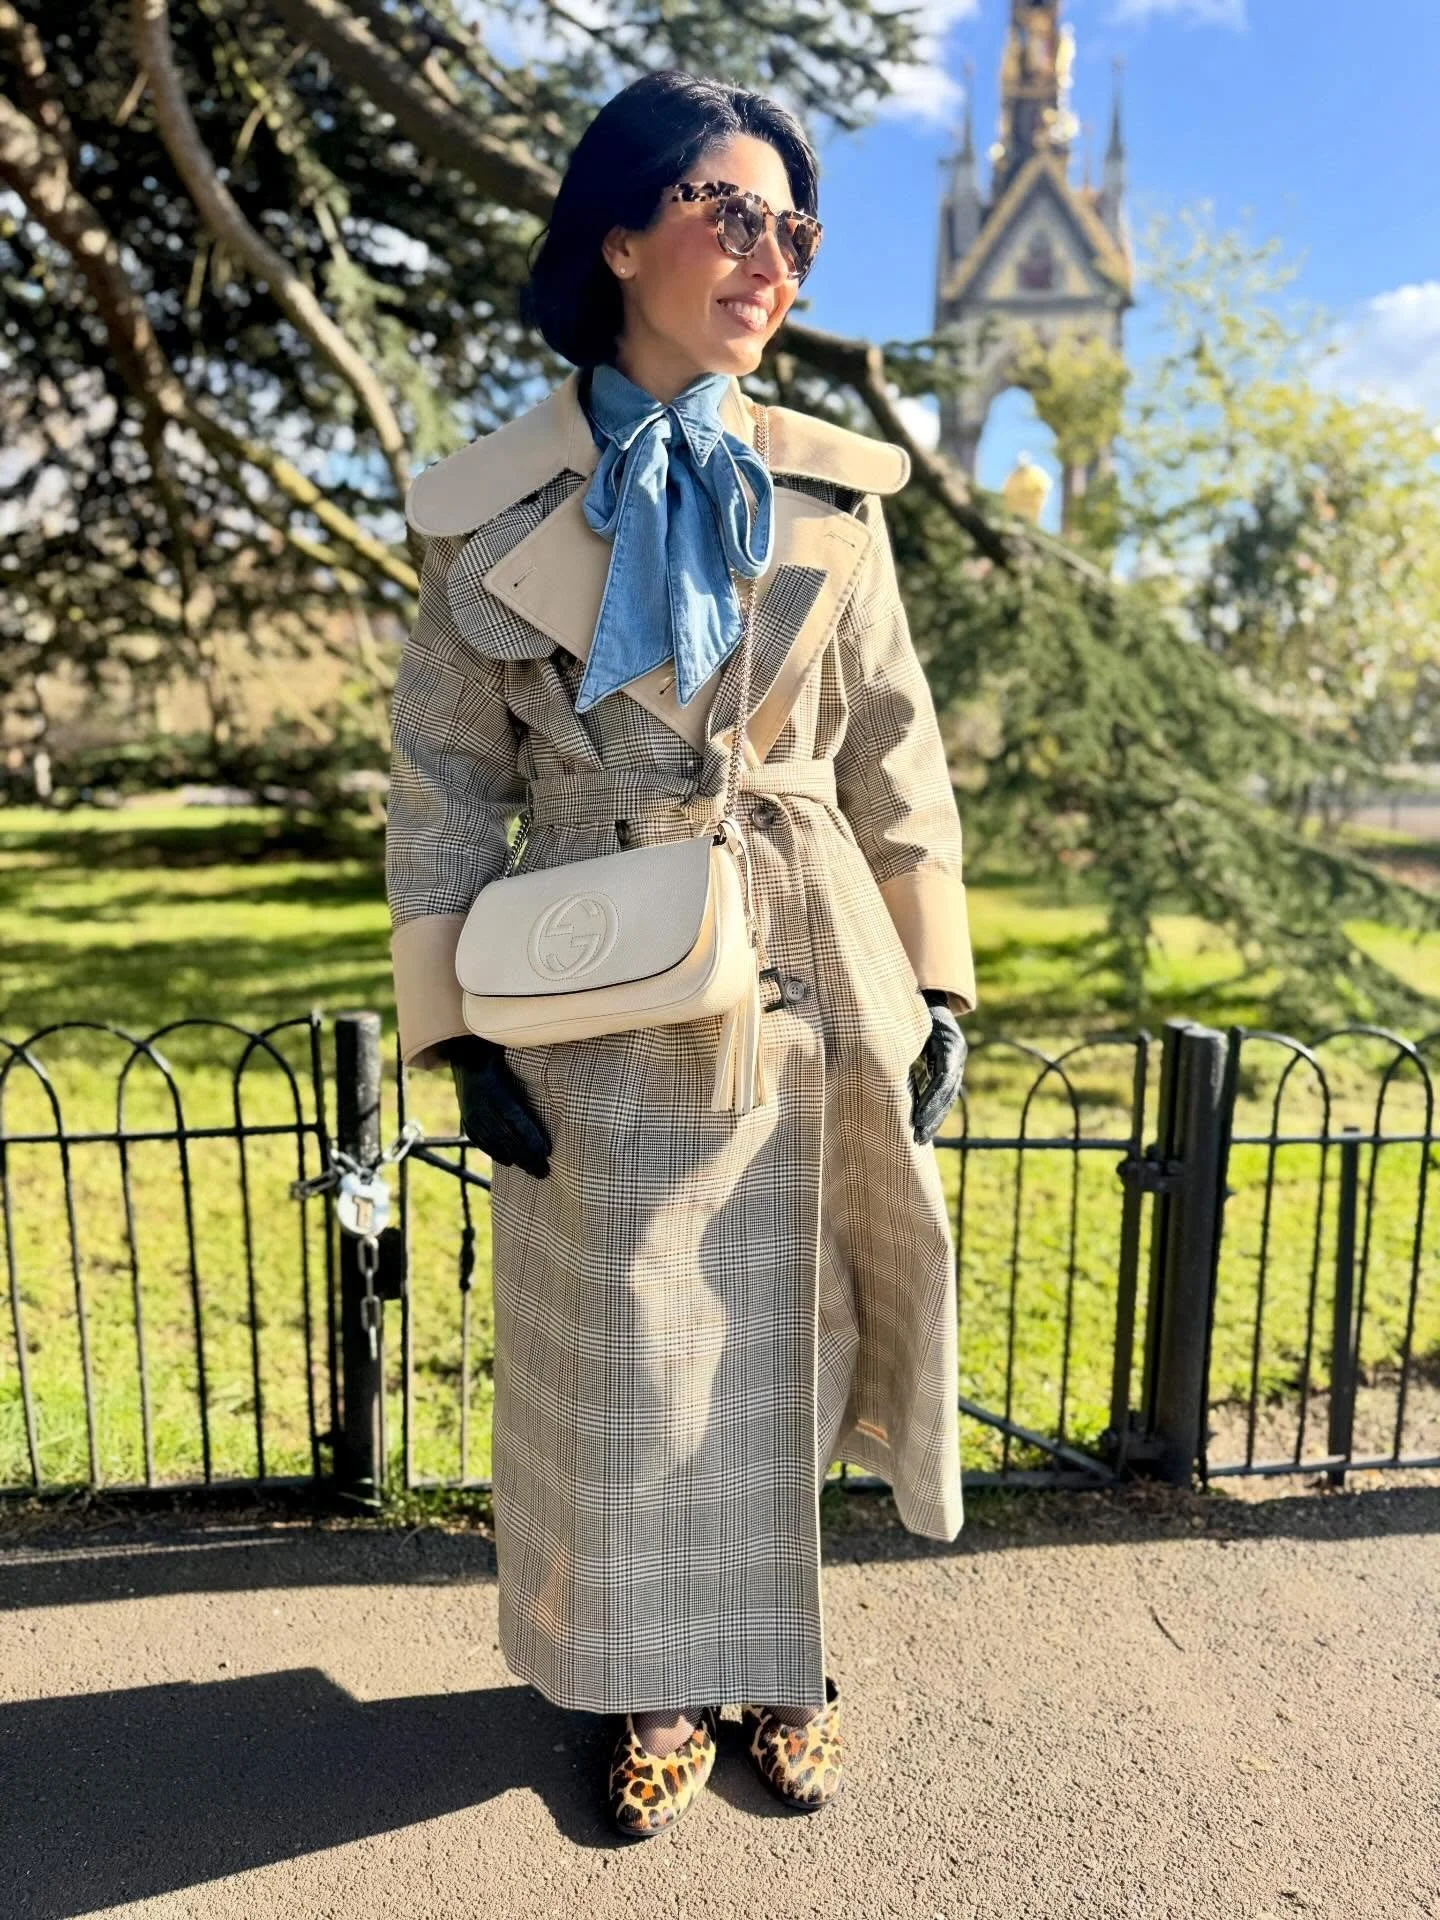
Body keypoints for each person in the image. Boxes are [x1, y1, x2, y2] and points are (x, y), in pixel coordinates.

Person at [385, 68, 977, 1838]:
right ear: (621, 235)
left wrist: (939, 982)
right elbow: (442, 779)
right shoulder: (487, 509)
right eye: (729, 214)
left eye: (794, 229)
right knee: (632, 1341)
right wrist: (450, 1033)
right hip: (595, 964)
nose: (770, 257)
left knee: (797, 1322)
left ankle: (782, 1668)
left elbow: (895, 758)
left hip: (811, 956)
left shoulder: (835, 496)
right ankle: (643, 1679)